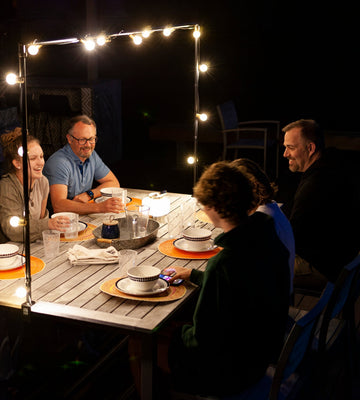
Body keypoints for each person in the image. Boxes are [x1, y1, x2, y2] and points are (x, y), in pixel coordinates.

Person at [130, 161, 290, 398]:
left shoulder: (224, 262)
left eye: (204, 204)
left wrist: (177, 332)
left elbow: (202, 341)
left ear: (215, 207)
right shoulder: (265, 234)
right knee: (175, 324)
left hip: (230, 371)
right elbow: (243, 285)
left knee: (140, 337)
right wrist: (194, 275)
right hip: (260, 350)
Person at [282, 119, 360, 290]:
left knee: (257, 266)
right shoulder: (332, 163)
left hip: (325, 267)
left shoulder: (316, 184)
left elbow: (291, 237)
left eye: (291, 148)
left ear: (310, 148)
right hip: (346, 258)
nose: (285, 154)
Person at [0, 128, 69, 250]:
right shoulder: (6, 189)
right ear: (17, 163)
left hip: (29, 247)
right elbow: (13, 229)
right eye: (33, 159)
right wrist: (48, 223)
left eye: (42, 156)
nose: (40, 163)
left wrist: (48, 224)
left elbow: (40, 219)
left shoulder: (43, 182)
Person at [230, 158, 295, 295]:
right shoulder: (272, 209)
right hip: (278, 296)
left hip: (266, 307)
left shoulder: (259, 224)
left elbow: (234, 277)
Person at [43, 115, 123, 215]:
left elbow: (114, 183)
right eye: (82, 140)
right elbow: (59, 206)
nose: (88, 145)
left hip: (80, 217)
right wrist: (99, 207)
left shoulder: (91, 155)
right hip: (57, 222)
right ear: (69, 139)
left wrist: (89, 194)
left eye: (91, 139)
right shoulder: (58, 162)